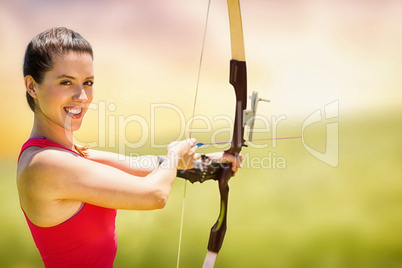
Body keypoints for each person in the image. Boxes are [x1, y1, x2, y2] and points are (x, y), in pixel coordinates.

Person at [17, 27, 242, 267]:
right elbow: (154, 195)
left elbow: (142, 166)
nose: (82, 96)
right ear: (32, 86)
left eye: (88, 82)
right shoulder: (43, 164)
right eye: (66, 82)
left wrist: (217, 159)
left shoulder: (72, 155)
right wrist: (175, 155)